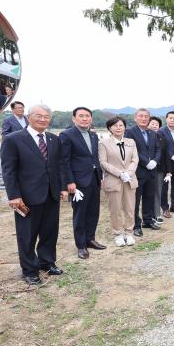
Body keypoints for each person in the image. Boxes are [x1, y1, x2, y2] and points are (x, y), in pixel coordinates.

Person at [0, 104, 66, 285]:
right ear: (29, 117)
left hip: (51, 194)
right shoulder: (13, 139)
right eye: (39, 116)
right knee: (27, 235)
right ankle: (29, 270)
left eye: (46, 116)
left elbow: (58, 165)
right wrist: (14, 195)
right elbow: (9, 170)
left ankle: (47, 262)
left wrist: (61, 187)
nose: (43, 119)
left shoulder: (53, 139)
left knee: (50, 231)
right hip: (27, 196)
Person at [59, 107, 104, 260]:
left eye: (87, 116)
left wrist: (100, 175)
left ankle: (90, 239)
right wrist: (69, 182)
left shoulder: (93, 135)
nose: (85, 119)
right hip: (78, 181)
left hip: (94, 178)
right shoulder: (67, 135)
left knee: (93, 211)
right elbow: (64, 161)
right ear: (74, 118)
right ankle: (81, 245)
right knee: (80, 214)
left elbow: (95, 158)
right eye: (81, 116)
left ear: (91, 119)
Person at [99, 116, 139, 247]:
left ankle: (129, 232)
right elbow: (103, 162)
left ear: (125, 127)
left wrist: (129, 173)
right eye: (115, 125)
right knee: (115, 209)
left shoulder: (131, 142)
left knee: (130, 207)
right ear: (110, 128)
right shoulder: (104, 143)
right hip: (114, 180)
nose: (118, 128)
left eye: (121, 125)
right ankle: (117, 233)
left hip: (130, 179)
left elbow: (135, 159)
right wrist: (120, 173)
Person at [125, 108, 161, 237]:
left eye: (146, 116)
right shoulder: (129, 132)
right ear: (135, 118)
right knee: (135, 199)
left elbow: (158, 149)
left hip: (152, 171)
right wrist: (146, 162)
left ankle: (148, 220)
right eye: (141, 116)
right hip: (137, 171)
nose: (144, 118)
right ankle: (135, 225)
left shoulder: (153, 133)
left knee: (149, 197)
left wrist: (155, 161)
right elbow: (132, 151)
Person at [148, 117, 167, 224]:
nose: (154, 126)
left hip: (159, 169)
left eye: (157, 124)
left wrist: (168, 171)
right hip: (145, 168)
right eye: (152, 123)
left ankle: (156, 214)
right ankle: (147, 215)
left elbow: (165, 155)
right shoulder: (143, 136)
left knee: (157, 192)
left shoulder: (162, 137)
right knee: (146, 193)